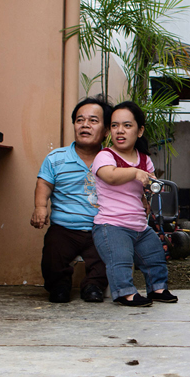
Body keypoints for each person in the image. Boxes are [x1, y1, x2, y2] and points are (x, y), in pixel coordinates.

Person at [91, 101, 177, 307]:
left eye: (127, 125)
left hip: (139, 225)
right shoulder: (105, 156)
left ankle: (157, 288)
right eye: (114, 125)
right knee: (120, 259)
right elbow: (110, 176)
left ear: (140, 131)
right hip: (111, 225)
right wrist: (136, 173)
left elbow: (150, 183)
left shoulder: (144, 159)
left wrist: (150, 191)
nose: (120, 131)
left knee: (155, 256)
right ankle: (125, 292)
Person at [31, 97, 112, 304]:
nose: (85, 125)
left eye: (93, 121)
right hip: (64, 228)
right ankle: (59, 287)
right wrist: (40, 207)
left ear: (106, 130)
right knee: (52, 253)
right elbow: (44, 184)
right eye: (79, 120)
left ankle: (93, 286)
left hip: (100, 227)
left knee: (108, 253)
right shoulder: (56, 158)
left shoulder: (112, 161)